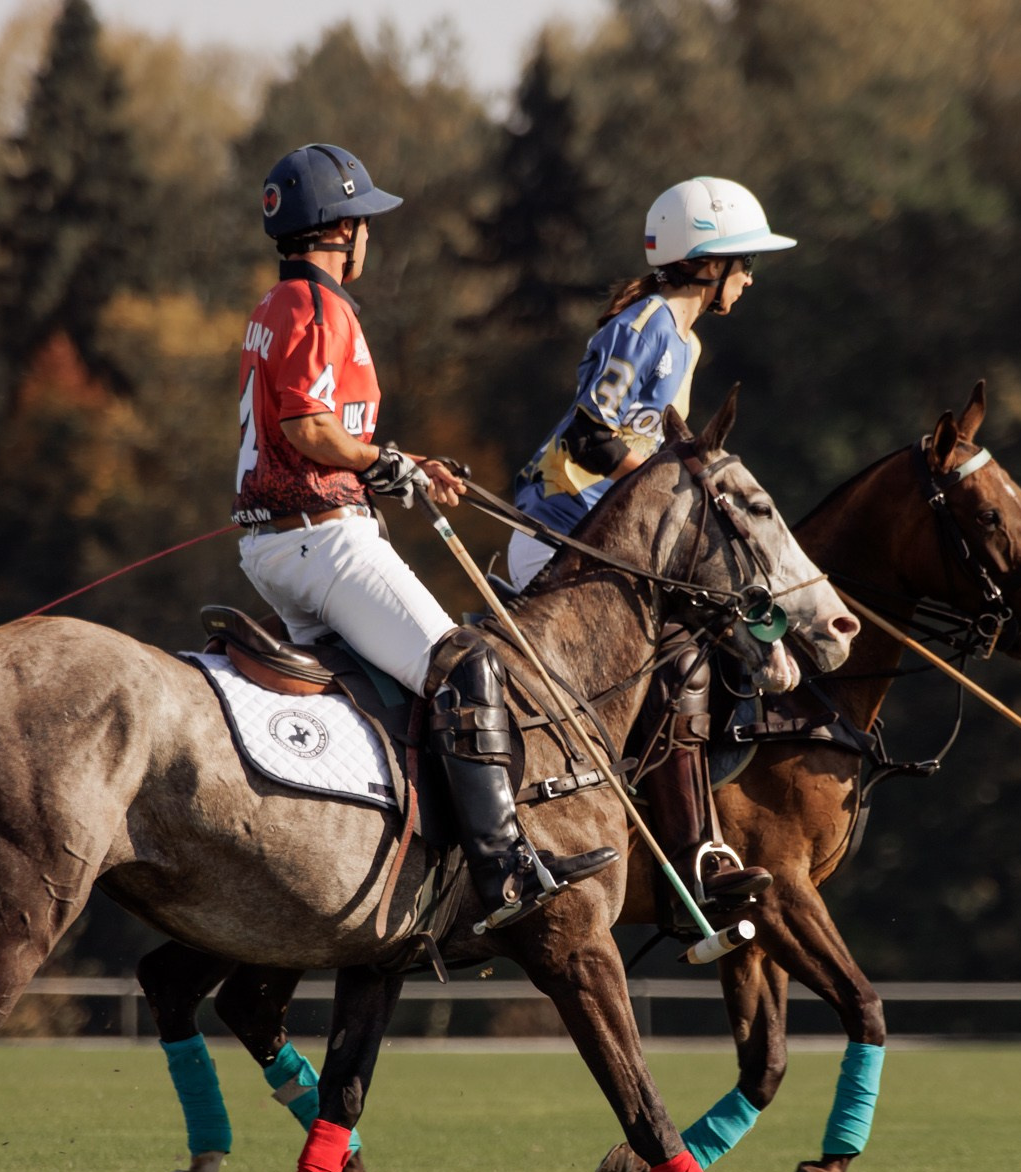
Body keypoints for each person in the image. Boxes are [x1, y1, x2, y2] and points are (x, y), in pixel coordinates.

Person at [234, 143, 614, 928]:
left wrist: (398, 466)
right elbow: (310, 429)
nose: (370, 236)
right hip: (321, 544)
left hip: (278, 544)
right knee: (464, 665)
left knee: (389, 695)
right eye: (365, 223)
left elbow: (315, 440)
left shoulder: (272, 307)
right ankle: (504, 869)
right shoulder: (317, 307)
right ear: (341, 230)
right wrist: (382, 461)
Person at [507, 178, 797, 934]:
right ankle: (689, 854)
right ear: (707, 263)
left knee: (708, 643)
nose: (750, 279)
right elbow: (590, 438)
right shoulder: (645, 325)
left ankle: (691, 838)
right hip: (558, 534)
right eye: (743, 263)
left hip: (610, 542)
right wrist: (673, 483)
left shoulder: (685, 339)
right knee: (678, 661)